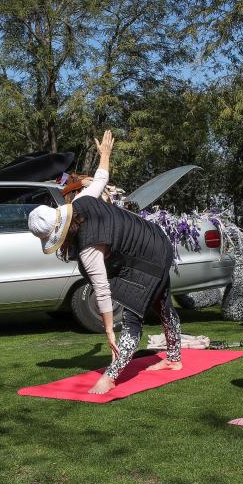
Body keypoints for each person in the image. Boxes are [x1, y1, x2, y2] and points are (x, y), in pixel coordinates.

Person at [27, 130, 183, 394]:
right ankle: (175, 359)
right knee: (161, 299)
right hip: (156, 239)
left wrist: (109, 330)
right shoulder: (81, 200)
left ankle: (111, 376)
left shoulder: (89, 247)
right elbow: (101, 177)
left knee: (132, 317)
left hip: (146, 256)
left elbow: (102, 289)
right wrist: (105, 155)